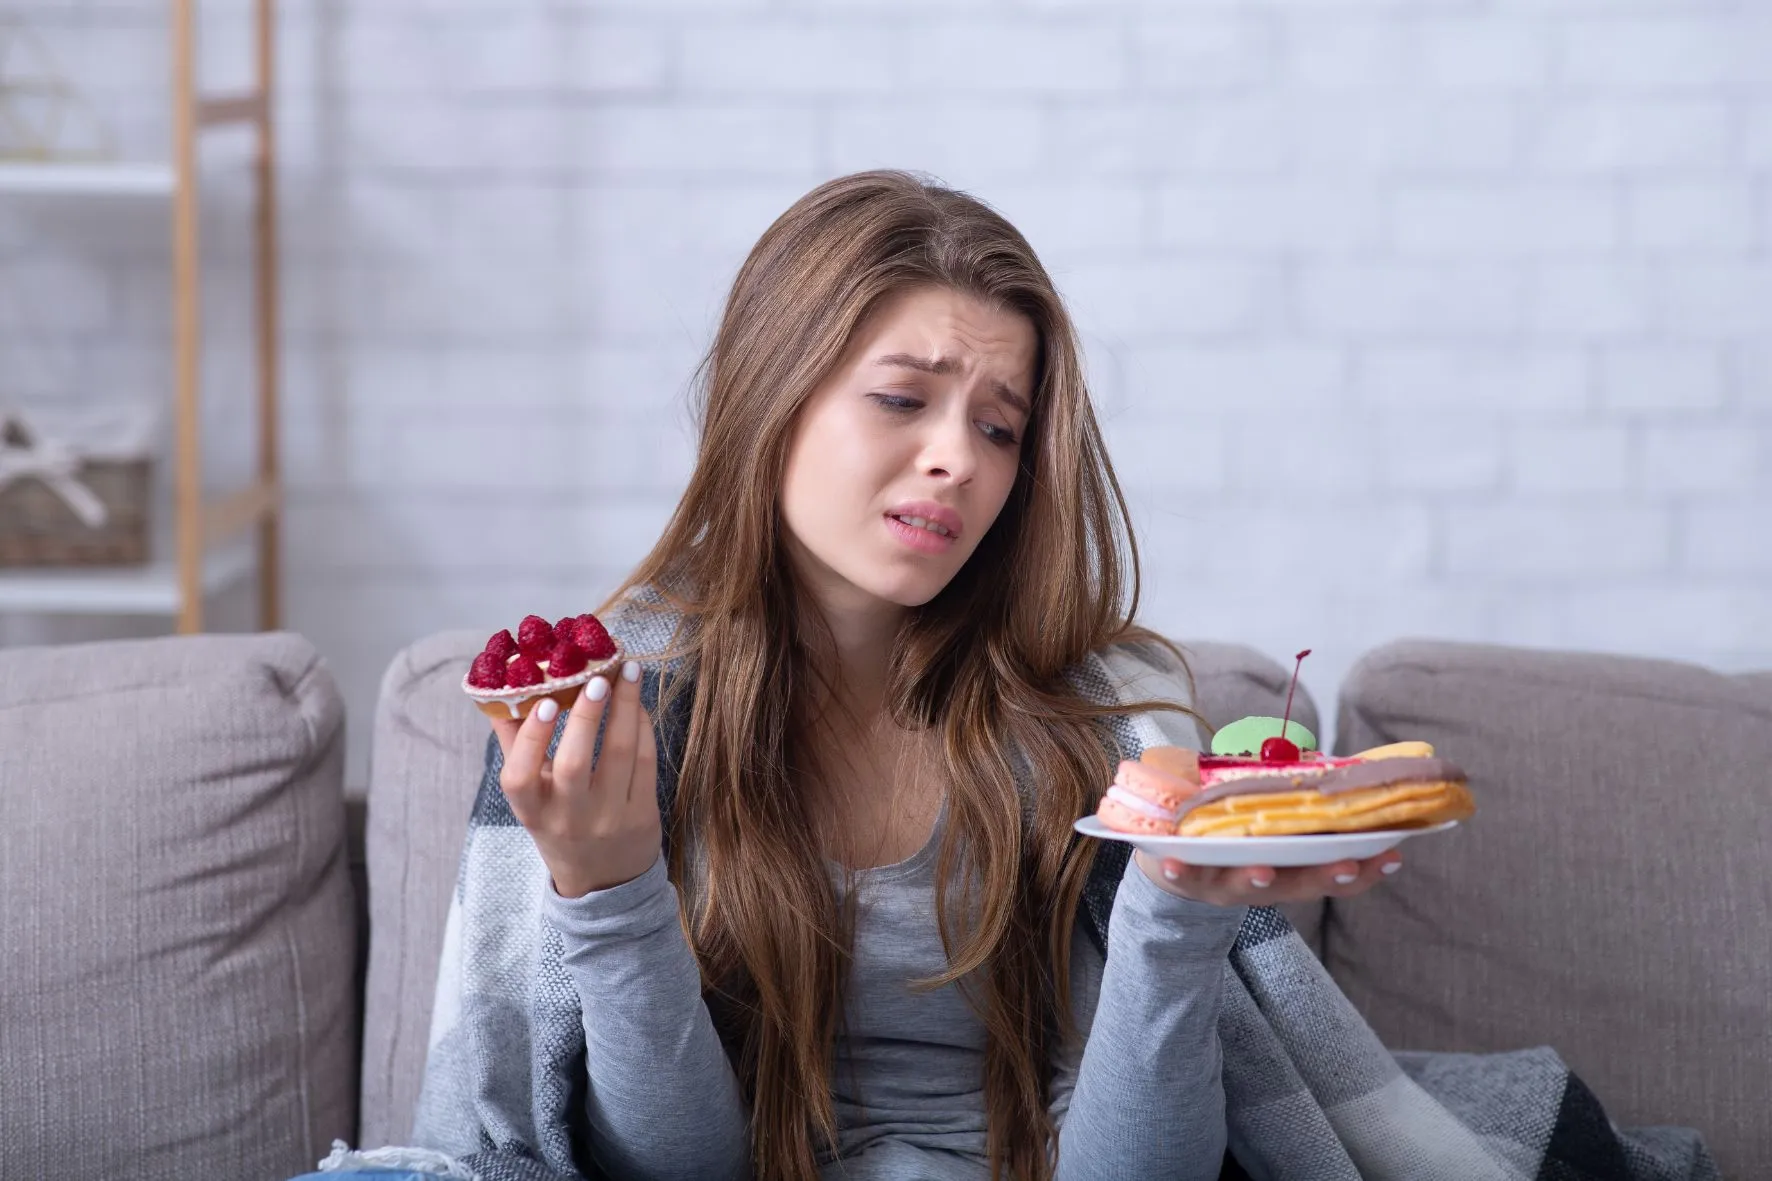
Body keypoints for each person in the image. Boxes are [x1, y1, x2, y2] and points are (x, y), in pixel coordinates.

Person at [297, 169, 1400, 1181]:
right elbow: (672, 1171)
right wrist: (609, 888)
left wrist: (1176, 917)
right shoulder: (623, 706)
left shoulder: (1095, 716)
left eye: (999, 426)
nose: (957, 458)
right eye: (900, 397)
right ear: (774, 392)